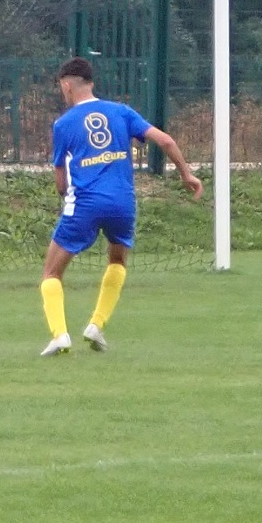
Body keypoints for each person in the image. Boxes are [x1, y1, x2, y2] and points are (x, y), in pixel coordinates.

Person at [39, 56, 204, 356]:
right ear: (91, 84)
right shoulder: (122, 112)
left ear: (66, 86)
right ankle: (96, 325)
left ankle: (60, 335)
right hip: (122, 203)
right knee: (117, 260)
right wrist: (186, 175)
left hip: (85, 203)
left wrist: (67, 199)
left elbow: (61, 181)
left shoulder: (63, 124)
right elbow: (165, 141)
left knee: (51, 273)